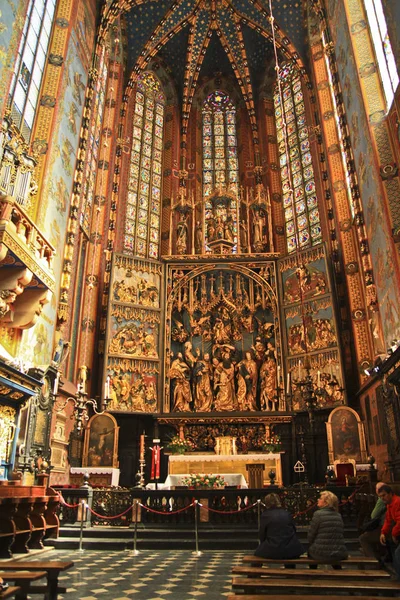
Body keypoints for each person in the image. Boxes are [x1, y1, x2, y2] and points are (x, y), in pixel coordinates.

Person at [254, 493, 303, 559]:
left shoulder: (265, 515)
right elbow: (294, 530)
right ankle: (291, 568)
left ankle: (256, 569)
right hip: (290, 548)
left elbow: (262, 534)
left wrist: (263, 544)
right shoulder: (287, 514)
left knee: (256, 556)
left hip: (272, 547)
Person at [307, 490, 348, 564]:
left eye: (320, 498)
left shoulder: (318, 514)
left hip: (321, 553)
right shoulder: (338, 515)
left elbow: (311, 535)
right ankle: (338, 571)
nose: (318, 500)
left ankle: (313, 573)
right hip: (339, 552)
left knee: (310, 554)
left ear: (326, 502)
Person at [359, 481, 387, 561]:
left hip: (386, 529)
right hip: (384, 527)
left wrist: (384, 532)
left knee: (363, 538)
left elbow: (374, 515)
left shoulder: (383, 500)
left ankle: (373, 561)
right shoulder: (387, 500)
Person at [379, 484, 400, 579]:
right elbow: (388, 520)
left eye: (384, 495)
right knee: (394, 551)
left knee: (397, 554)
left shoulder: (397, 502)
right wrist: (383, 532)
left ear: (390, 493)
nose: (382, 498)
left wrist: (394, 534)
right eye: (380, 496)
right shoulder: (389, 504)